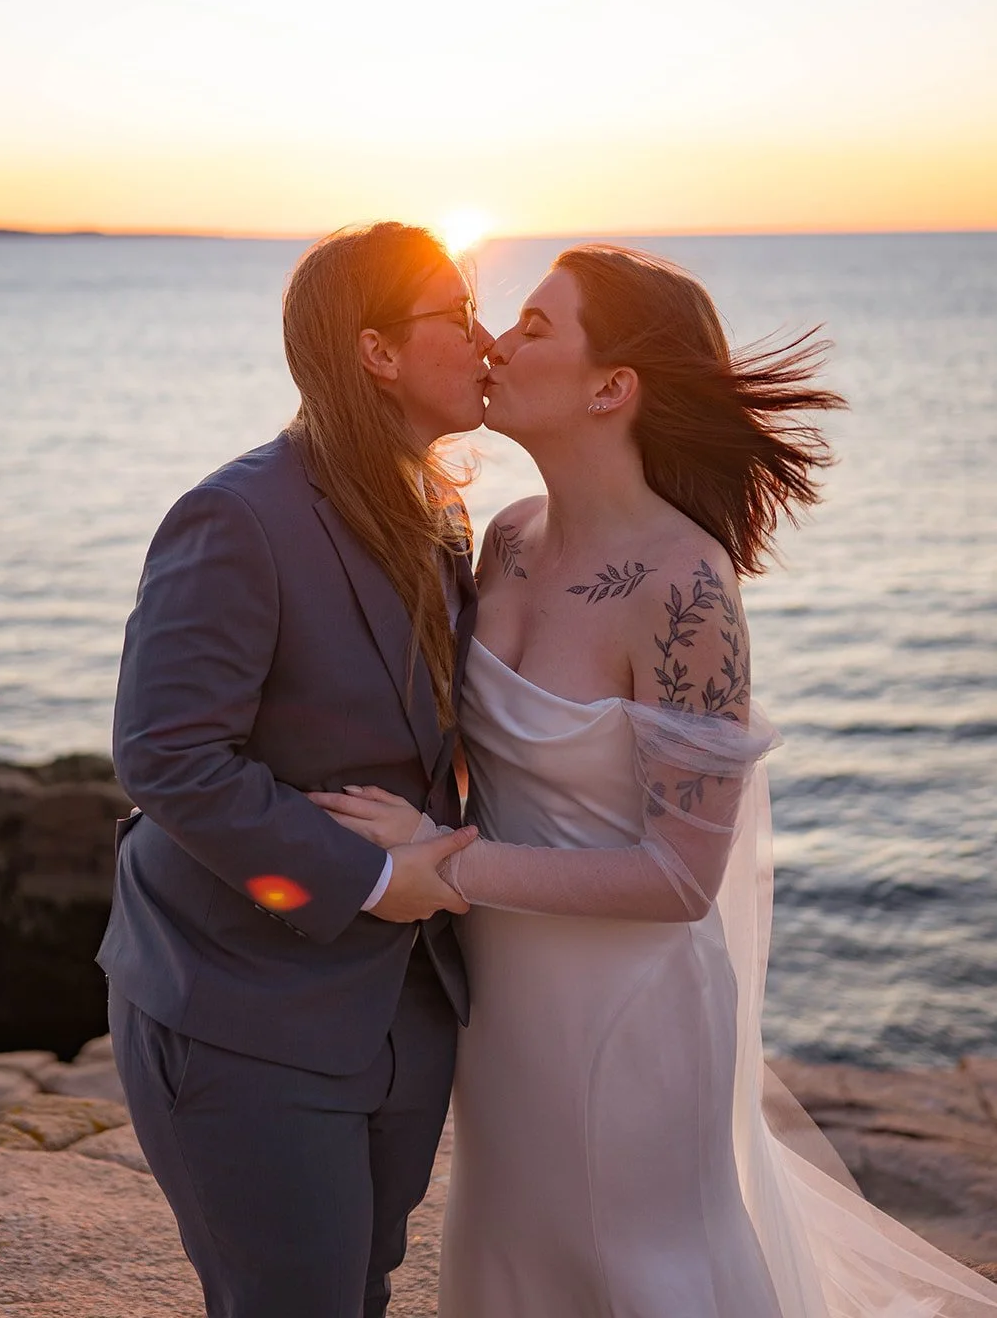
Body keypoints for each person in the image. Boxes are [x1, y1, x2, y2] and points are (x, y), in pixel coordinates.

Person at [313, 244, 997, 1317]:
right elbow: (474, 751)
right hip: (501, 1001)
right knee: (515, 1251)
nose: (494, 342)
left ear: (610, 387)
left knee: (638, 1269)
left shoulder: (685, 589)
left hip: (626, 1013)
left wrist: (442, 866)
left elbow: (680, 878)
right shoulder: (508, 537)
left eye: (535, 326)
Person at [97, 221, 493, 1318]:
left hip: (401, 1007)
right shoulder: (238, 516)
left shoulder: (439, 509)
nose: (486, 339)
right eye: (458, 316)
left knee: (357, 1292)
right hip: (237, 1006)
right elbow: (167, 756)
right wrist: (372, 878)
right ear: (376, 350)